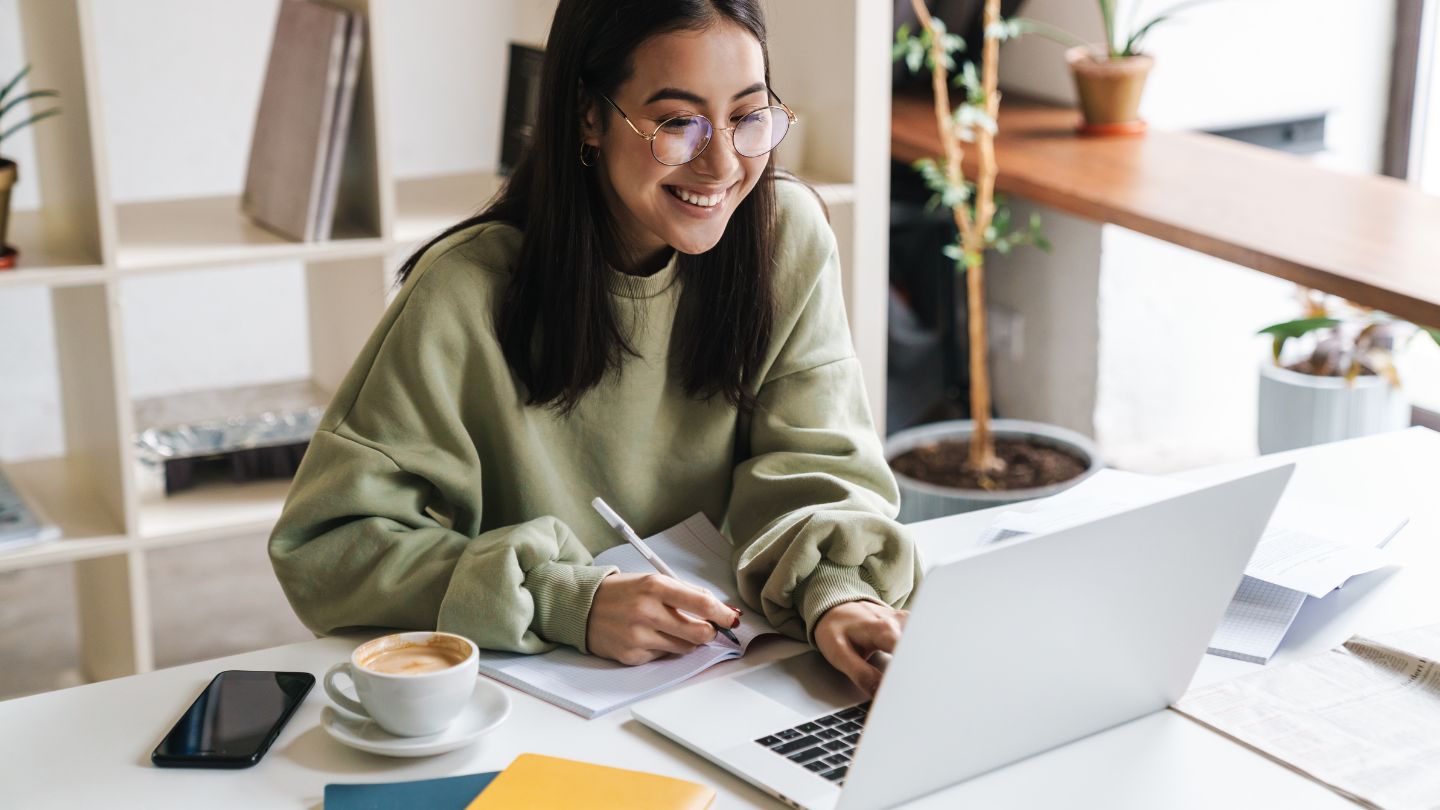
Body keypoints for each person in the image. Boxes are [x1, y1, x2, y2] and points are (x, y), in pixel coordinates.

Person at [268, 0, 921, 696]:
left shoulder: (785, 237)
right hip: (539, 696)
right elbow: (328, 546)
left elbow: (820, 462)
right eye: (677, 122)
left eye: (748, 116)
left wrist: (837, 592)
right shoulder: (464, 292)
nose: (722, 163)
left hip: (743, 668)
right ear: (589, 114)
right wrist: (563, 598)